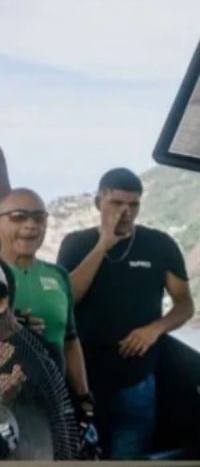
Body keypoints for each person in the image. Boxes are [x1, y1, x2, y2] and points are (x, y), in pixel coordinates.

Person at [55, 168, 195, 459]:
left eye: (133, 205)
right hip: (84, 380)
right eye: (117, 203)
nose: (125, 212)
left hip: (136, 379)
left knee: (129, 459)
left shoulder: (159, 245)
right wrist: (103, 244)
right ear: (99, 203)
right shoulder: (76, 243)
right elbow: (67, 299)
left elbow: (184, 305)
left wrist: (154, 329)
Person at [0, 190, 95, 459]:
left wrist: (84, 399)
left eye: (39, 217)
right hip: (6, 399)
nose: (30, 225)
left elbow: (70, 340)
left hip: (52, 399)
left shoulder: (57, 276)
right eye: (18, 217)